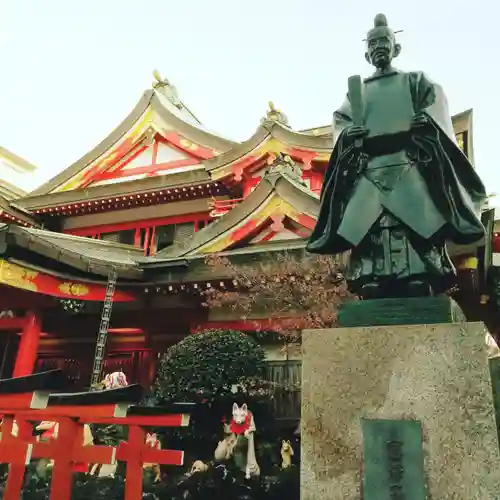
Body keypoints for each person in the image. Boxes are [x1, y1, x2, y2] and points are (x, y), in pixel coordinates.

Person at [306, 13, 486, 299]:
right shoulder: (357, 93)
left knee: (415, 224)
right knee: (370, 228)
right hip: (370, 168)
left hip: (408, 164)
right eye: (373, 43)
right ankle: (370, 277)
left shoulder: (415, 81)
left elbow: (434, 107)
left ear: (396, 48)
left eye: (384, 41)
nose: (379, 47)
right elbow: (341, 124)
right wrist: (348, 135)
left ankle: (420, 274)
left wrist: (426, 121)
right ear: (366, 53)